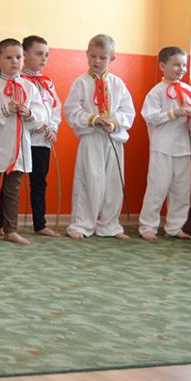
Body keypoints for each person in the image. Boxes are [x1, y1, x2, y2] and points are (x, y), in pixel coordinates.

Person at [0, 39, 45, 246]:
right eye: (9, 57)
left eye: (18, 57)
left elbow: (41, 114)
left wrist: (29, 113)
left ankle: (10, 230)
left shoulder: (29, 88)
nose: (14, 61)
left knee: (13, 191)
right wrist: (3, 110)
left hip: (19, 150)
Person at [64, 34, 134, 240]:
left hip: (113, 138)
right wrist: (93, 119)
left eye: (102, 57)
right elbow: (71, 109)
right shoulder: (81, 83)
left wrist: (113, 122)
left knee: (113, 182)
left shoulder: (118, 84)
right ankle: (81, 224)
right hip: (91, 138)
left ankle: (109, 225)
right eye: (93, 56)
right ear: (87, 55)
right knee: (89, 179)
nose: (97, 61)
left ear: (112, 58)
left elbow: (127, 111)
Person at [139, 46, 191, 241]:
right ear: (163, 66)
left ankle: (175, 226)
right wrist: (172, 113)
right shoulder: (156, 92)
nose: (181, 69)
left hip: (183, 147)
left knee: (181, 190)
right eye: (176, 65)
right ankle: (148, 226)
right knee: (157, 187)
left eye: (184, 65)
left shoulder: (189, 91)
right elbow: (149, 117)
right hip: (162, 146)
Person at [20, 35, 62, 236]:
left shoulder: (48, 83)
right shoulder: (18, 81)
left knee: (39, 182)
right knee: (13, 182)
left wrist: (52, 128)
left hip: (42, 141)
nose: (43, 58)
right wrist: (34, 124)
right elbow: (20, 110)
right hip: (23, 138)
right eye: (38, 54)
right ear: (25, 54)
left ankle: (40, 224)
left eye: (46, 54)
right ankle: (4, 223)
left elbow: (55, 108)